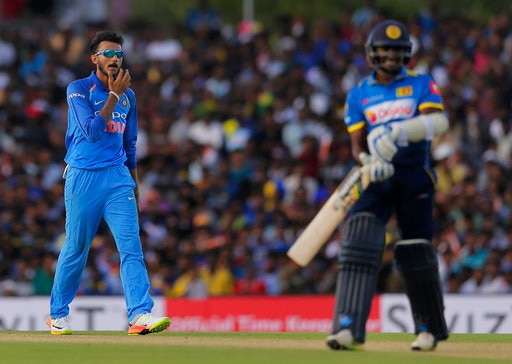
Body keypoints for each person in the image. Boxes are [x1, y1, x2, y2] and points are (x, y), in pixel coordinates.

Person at [326, 20, 449, 351]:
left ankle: (428, 329)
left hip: (413, 175)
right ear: (372, 53)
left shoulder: (422, 83)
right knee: (359, 241)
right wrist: (367, 160)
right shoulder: (359, 95)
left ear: (406, 53)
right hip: (376, 177)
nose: (391, 55)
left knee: (415, 249)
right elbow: (356, 144)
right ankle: (347, 328)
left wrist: (398, 132)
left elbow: (439, 122)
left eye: (397, 50)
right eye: (385, 49)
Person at [47, 30, 171, 335]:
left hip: (117, 178)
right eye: (108, 54)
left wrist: (135, 187)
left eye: (119, 54)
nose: (115, 59)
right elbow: (92, 131)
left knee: (131, 246)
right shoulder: (78, 89)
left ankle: (140, 314)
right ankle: (57, 314)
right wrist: (113, 95)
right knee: (76, 246)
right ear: (94, 59)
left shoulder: (129, 96)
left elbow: (130, 146)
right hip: (82, 175)